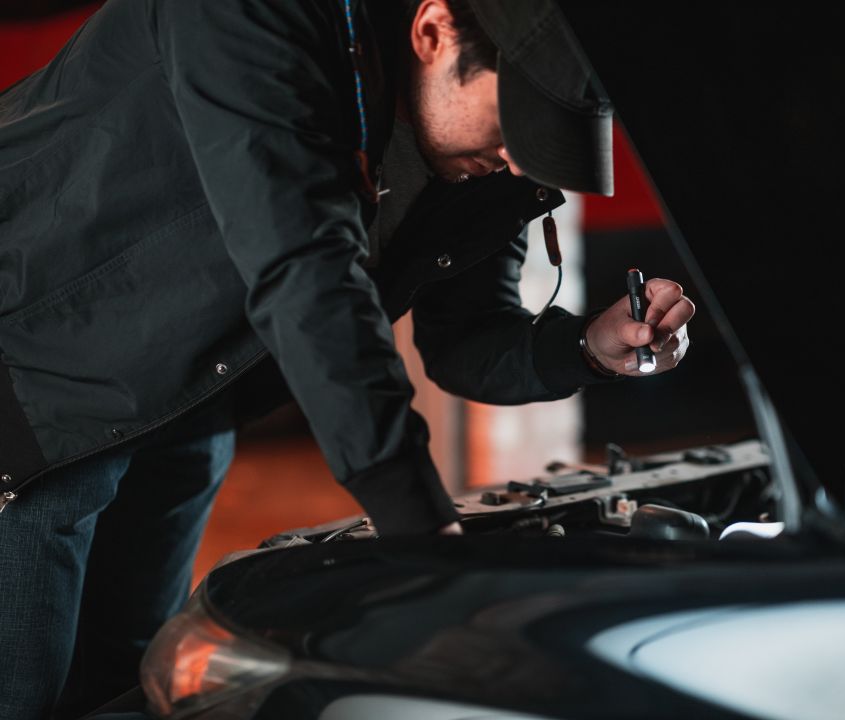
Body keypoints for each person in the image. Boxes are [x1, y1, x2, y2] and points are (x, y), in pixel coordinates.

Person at [0, 0, 695, 716]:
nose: (522, 160)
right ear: (434, 31)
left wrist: (588, 347)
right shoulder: (255, 18)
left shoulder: (485, 163)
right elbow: (307, 273)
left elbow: (465, 341)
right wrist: (425, 538)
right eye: (518, 125)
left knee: (128, 688)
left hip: (192, 406)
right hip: (34, 381)